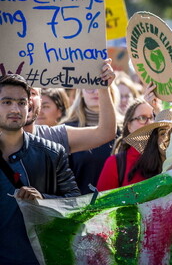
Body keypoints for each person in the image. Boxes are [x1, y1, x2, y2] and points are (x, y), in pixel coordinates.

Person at [0, 74, 80, 265]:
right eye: (7, 102)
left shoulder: (52, 153)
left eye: (21, 102)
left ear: (29, 106)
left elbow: (76, 205)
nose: (15, 109)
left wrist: (44, 200)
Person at [24, 59, 118, 157]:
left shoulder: (53, 136)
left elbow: (106, 133)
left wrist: (102, 86)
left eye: (32, 93)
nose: (26, 100)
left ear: (40, 99)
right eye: (9, 101)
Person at [97, 105, 172, 190]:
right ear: (129, 126)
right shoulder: (115, 163)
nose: (149, 122)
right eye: (142, 118)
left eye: (153, 117)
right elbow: (101, 201)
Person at [64, 82, 122, 194]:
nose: (96, 91)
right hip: (79, 205)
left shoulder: (125, 128)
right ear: (80, 92)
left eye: (100, 86)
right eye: (90, 87)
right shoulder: (67, 129)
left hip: (117, 205)